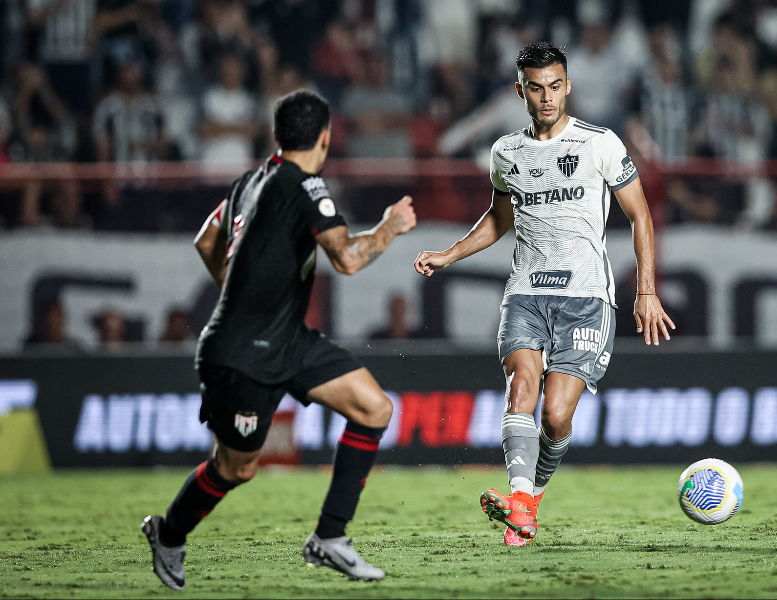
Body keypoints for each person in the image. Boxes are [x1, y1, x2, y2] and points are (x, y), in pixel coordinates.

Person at [141, 90, 417, 589]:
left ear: (277, 135)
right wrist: (390, 226)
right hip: (243, 355)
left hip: (288, 340)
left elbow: (207, 239)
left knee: (373, 408)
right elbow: (348, 259)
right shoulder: (307, 187)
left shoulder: (251, 180)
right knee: (235, 468)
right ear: (327, 138)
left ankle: (330, 538)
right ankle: (168, 534)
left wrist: (239, 285)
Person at [413, 43, 674, 547]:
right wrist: (449, 254)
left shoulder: (601, 144)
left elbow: (640, 215)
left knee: (556, 417)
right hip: (526, 293)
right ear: (521, 91)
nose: (547, 96)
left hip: (587, 298)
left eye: (555, 86)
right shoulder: (506, 152)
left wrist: (646, 290)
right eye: (536, 87)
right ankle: (520, 501)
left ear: (568, 86)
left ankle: (527, 500)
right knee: (522, 386)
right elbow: (498, 220)